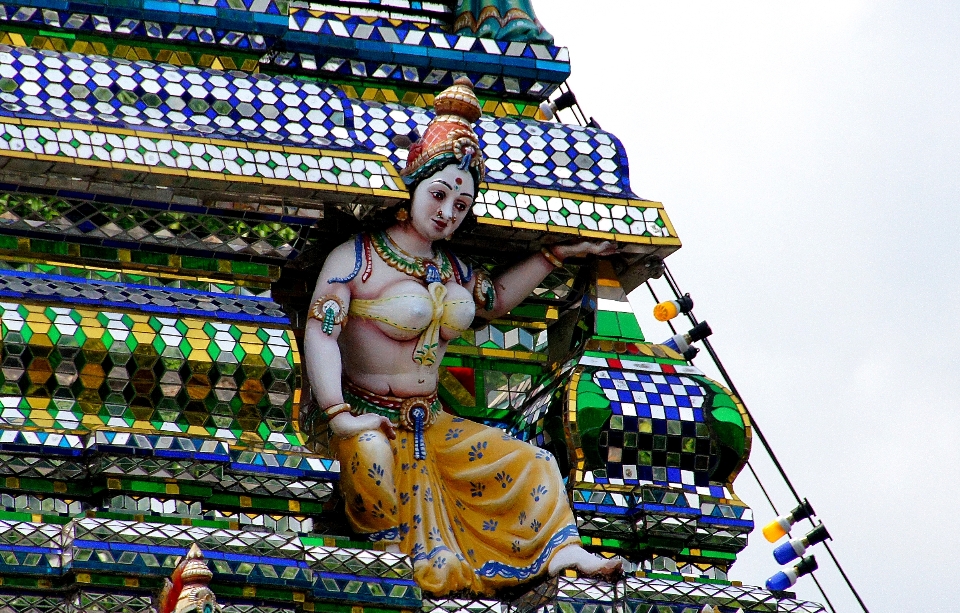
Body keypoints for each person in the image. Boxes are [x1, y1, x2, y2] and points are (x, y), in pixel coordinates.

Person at [303, 79, 620, 596]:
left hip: (434, 424)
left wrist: (557, 255)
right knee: (371, 460)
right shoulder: (358, 258)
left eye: (462, 204)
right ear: (413, 187)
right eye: (439, 194)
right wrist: (338, 413)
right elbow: (321, 330)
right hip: (369, 419)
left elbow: (494, 300)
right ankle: (387, 567)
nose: (448, 211)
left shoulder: (453, 268)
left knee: (534, 461)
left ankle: (563, 550)